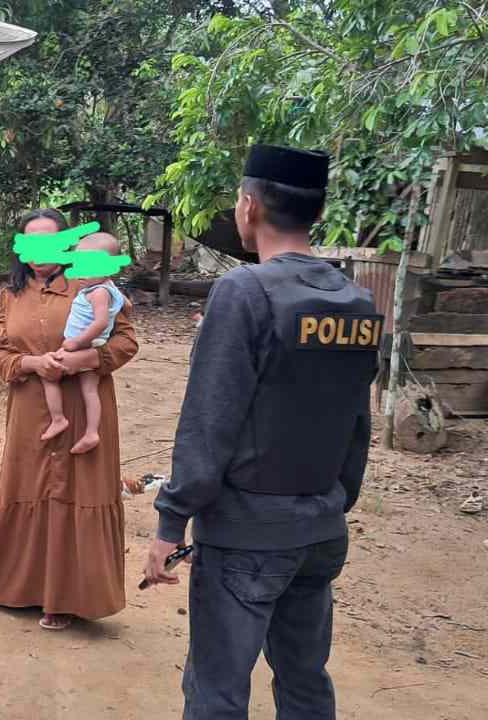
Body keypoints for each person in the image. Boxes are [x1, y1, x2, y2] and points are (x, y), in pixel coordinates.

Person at [142, 144, 379, 719]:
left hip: (249, 533)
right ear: (315, 214)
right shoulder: (357, 301)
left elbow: (208, 420)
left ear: (248, 207)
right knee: (304, 680)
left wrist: (172, 520)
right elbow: (356, 425)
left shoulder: (246, 292)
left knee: (218, 689)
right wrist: (331, 503)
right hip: (321, 530)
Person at [0, 209, 139, 631]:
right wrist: (31, 362)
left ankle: (67, 598)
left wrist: (87, 358)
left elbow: (126, 340)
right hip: (30, 409)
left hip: (85, 408)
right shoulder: (10, 295)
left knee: (76, 490)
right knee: (28, 487)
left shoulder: (91, 281)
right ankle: (19, 588)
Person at [40, 231, 128, 453]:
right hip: (93, 345)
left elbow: (100, 323)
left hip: (84, 344)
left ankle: (58, 419)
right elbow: (127, 305)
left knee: (48, 374)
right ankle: (91, 432)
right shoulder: (108, 287)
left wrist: (77, 343)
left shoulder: (98, 292)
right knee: (89, 390)